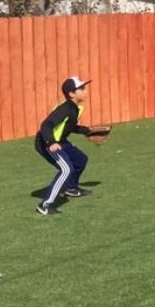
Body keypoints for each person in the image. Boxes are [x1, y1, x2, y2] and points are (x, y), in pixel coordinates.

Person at [34, 75, 97, 215]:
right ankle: (45, 205)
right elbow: (46, 125)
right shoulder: (65, 108)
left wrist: (86, 131)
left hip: (59, 140)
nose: (85, 90)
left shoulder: (74, 108)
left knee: (80, 160)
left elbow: (69, 126)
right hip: (46, 142)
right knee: (66, 169)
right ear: (72, 93)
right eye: (81, 88)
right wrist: (51, 142)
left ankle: (71, 188)